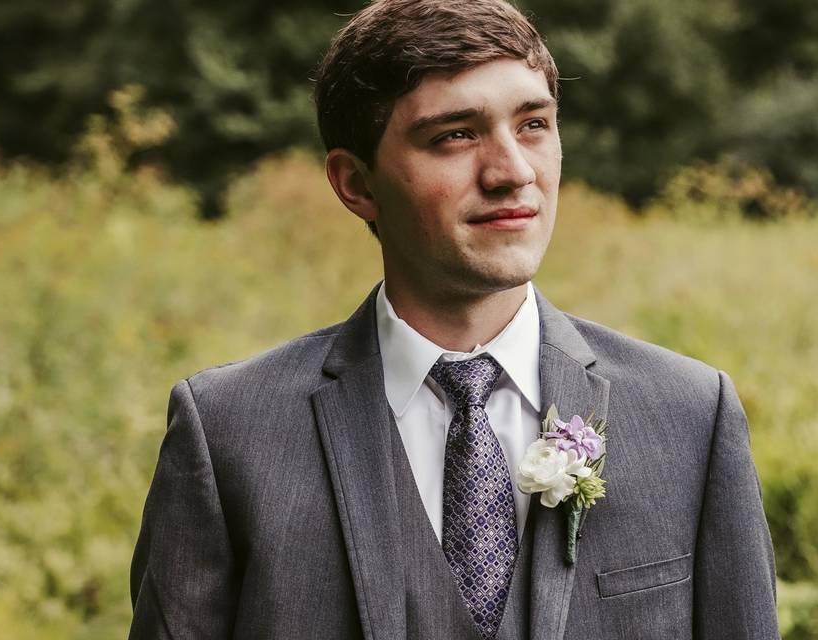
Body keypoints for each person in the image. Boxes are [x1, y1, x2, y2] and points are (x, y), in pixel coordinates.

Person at [128, 0, 780, 638]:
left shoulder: (691, 416)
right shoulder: (228, 433)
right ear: (356, 183)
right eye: (455, 136)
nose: (513, 172)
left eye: (533, 125)